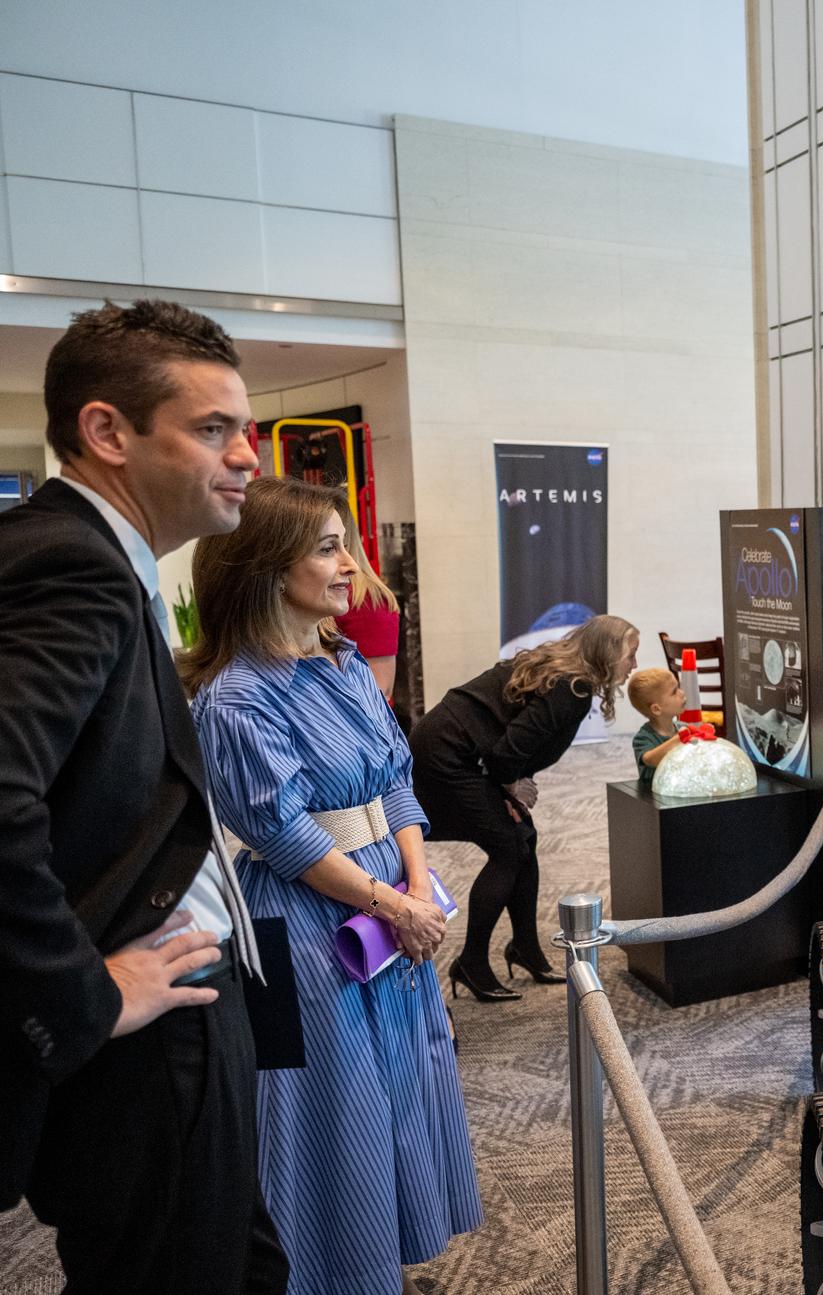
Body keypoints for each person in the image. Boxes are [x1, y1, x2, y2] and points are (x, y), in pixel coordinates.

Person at [0, 299, 288, 1293]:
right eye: (213, 429)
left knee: (240, 1263)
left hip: (175, 1005)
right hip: (147, 1027)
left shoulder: (100, 558)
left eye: (245, 428)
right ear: (107, 431)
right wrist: (84, 997)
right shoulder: (72, 563)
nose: (246, 455)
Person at [183, 476, 480, 1295]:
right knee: (333, 1109)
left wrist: (415, 884)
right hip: (311, 928)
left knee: (402, 1080)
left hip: (388, 906)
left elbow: (395, 781)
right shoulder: (236, 698)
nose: (351, 565)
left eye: (344, 544)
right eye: (327, 548)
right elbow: (286, 836)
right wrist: (394, 904)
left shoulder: (345, 663)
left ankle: (383, 1257)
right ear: (267, 567)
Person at [409, 615, 639, 1002]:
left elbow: (516, 742)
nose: (634, 664)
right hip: (447, 756)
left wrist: (510, 785)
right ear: (607, 653)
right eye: (630, 654)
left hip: (455, 746)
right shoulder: (572, 688)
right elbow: (507, 754)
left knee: (523, 838)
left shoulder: (563, 673)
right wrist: (511, 786)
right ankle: (471, 963)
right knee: (508, 847)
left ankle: (525, 949)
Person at [627, 666, 688, 792]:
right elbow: (649, 759)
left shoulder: (683, 728)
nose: (682, 693)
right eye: (674, 692)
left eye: (678, 687)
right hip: (655, 795)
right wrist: (678, 740)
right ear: (656, 709)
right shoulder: (643, 738)